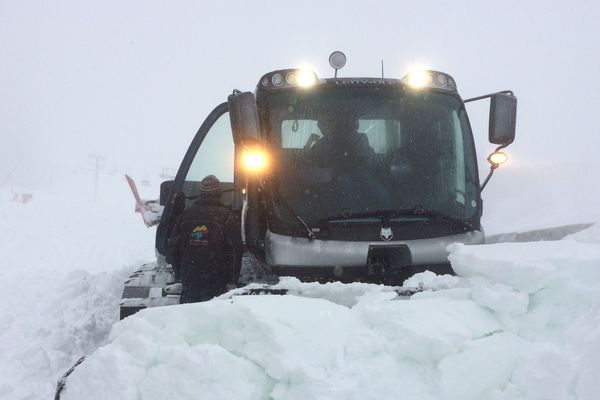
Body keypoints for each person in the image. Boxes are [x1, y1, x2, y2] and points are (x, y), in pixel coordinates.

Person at [166, 175, 237, 303]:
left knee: (188, 319)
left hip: (190, 281)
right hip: (216, 283)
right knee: (211, 320)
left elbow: (173, 247)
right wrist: (231, 280)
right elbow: (234, 251)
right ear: (219, 193)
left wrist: (180, 274)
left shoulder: (185, 216)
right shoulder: (226, 217)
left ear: (201, 193)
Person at [304, 113, 376, 169]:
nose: (321, 127)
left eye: (326, 123)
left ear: (336, 123)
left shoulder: (359, 139)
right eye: (319, 124)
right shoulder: (321, 143)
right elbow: (307, 162)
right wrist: (308, 144)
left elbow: (366, 165)